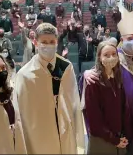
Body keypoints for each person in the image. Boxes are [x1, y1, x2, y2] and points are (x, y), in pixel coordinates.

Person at [82, 11, 133, 155]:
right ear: (123, 38)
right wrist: (86, 73)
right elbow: (100, 69)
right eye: (130, 38)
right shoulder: (114, 55)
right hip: (125, 114)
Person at [14, 23, 85, 154]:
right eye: (44, 42)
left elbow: (74, 102)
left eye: (52, 41)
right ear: (35, 42)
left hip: (64, 128)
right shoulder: (25, 74)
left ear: (56, 42)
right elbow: (22, 113)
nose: (48, 45)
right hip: (39, 133)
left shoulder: (66, 67)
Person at [81, 41, 131, 154]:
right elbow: (95, 120)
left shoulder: (117, 78)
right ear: (99, 57)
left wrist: (124, 134)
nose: (111, 57)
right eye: (106, 55)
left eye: (114, 54)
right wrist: (113, 139)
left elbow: (124, 108)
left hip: (118, 137)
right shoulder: (93, 82)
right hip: (102, 139)